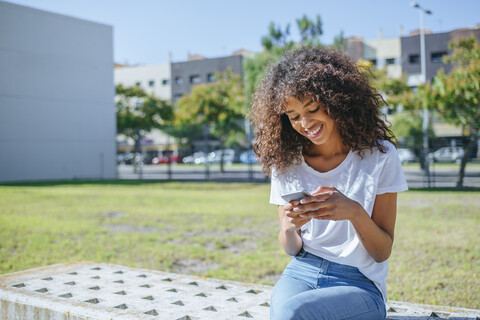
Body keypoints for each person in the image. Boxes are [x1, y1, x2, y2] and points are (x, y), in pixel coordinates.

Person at [249, 47, 408, 320]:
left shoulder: (379, 156)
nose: (305, 123)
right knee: (287, 314)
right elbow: (291, 248)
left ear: (337, 100)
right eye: (294, 115)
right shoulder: (285, 161)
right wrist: (289, 228)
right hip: (302, 270)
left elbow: (382, 252)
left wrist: (354, 212)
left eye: (312, 108)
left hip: (359, 283)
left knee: (290, 314)